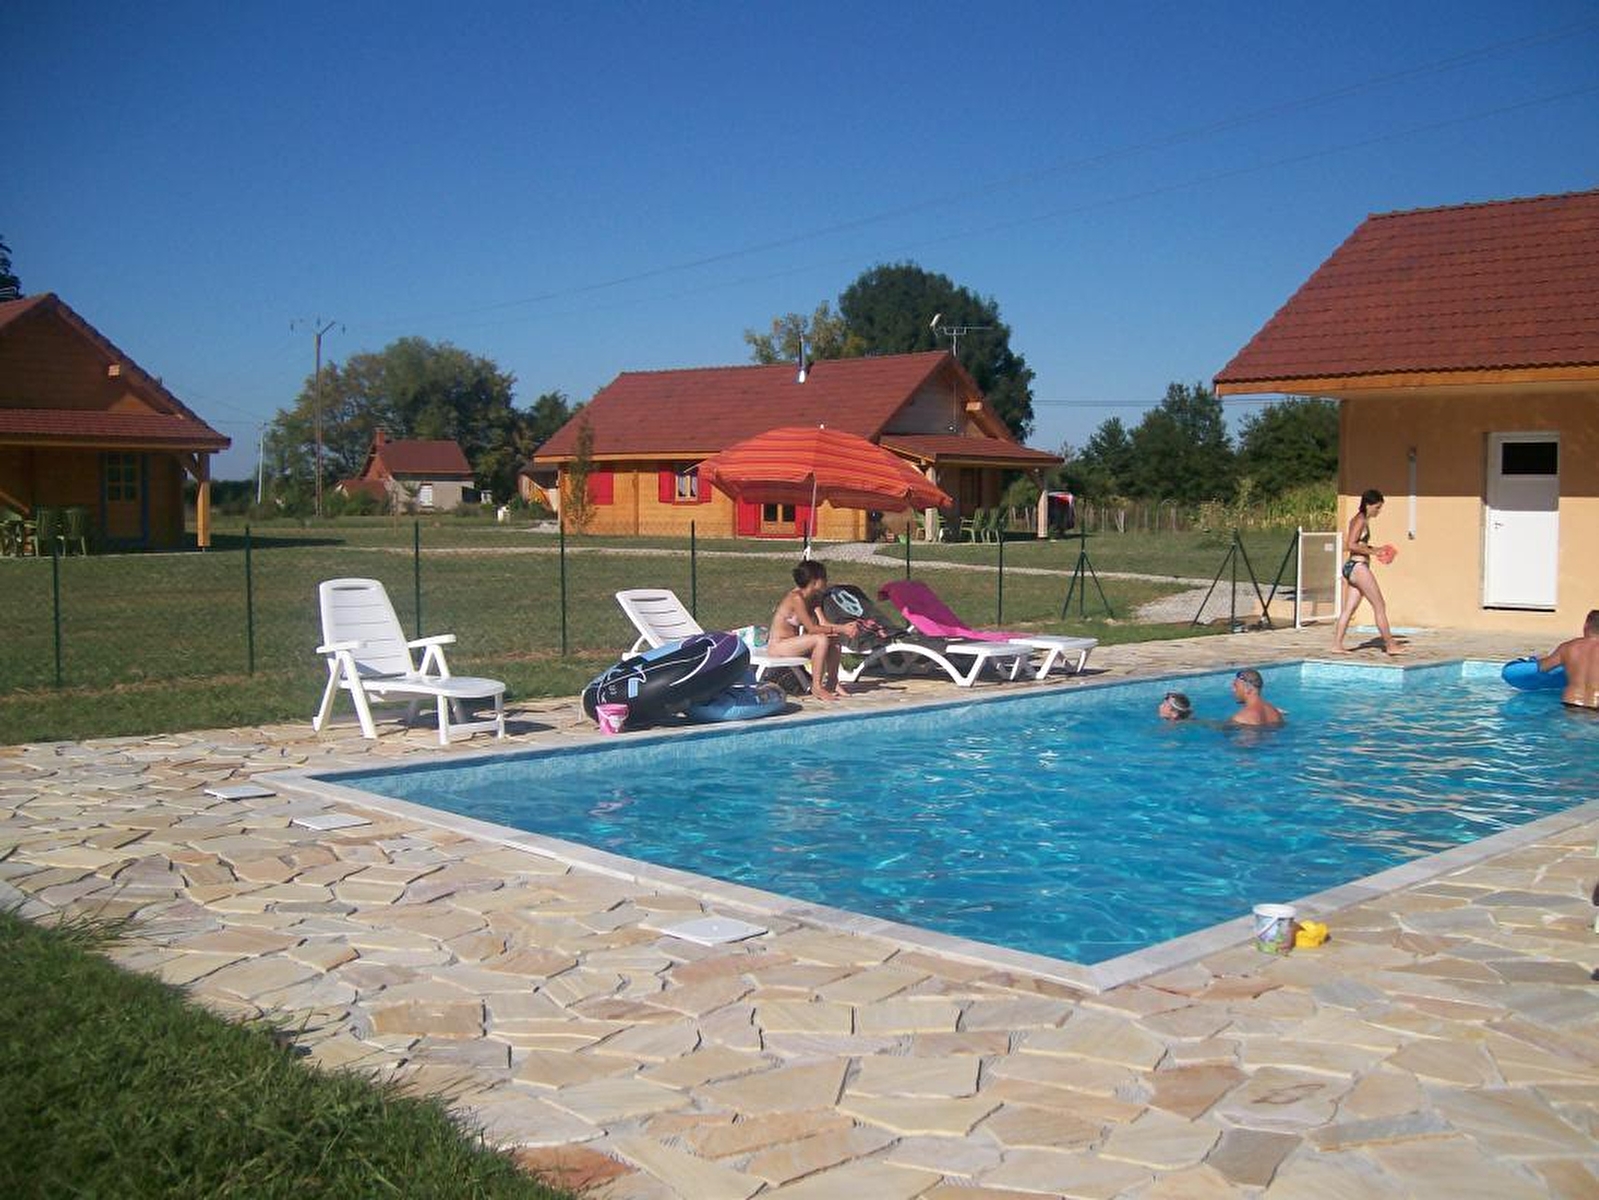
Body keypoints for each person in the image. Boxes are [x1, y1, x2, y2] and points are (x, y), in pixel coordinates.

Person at [768, 560, 860, 701]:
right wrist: (843, 628)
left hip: (795, 644)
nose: (827, 582)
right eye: (825, 578)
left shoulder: (814, 597)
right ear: (815, 581)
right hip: (779, 645)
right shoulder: (796, 598)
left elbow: (823, 623)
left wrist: (848, 628)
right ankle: (816, 687)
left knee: (833, 638)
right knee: (820, 639)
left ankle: (832, 682)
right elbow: (812, 629)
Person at [1332, 488, 1404, 656]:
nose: (1379, 511)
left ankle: (1336, 645)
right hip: (1358, 567)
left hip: (1352, 567)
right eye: (1377, 507)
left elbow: (1360, 544)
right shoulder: (1360, 520)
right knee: (1379, 605)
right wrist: (1375, 552)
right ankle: (1390, 645)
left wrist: (1376, 548)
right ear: (1368, 504)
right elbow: (1350, 544)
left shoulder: (1358, 519)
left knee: (1349, 609)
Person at [1538, 609, 1599, 711]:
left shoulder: (1567, 647)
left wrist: (1538, 659)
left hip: (1570, 702)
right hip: (1596, 706)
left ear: (1586, 625)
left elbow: (1542, 667)